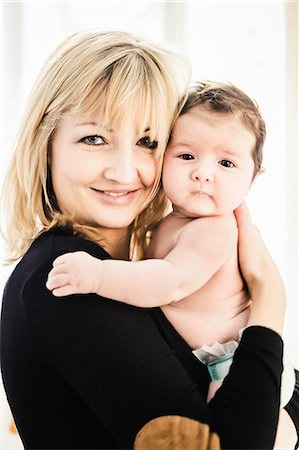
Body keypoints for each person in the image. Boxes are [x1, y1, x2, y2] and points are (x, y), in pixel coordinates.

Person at [0, 29, 298, 450]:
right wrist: (270, 302)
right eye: (94, 138)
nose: (124, 172)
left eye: (147, 141)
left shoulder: (130, 264)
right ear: (45, 144)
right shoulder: (67, 279)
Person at [45, 80, 296, 406]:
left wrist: (98, 275)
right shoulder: (171, 221)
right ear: (164, 156)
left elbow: (170, 282)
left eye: (226, 163)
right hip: (205, 363)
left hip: (231, 363)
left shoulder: (214, 230)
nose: (203, 173)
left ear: (254, 177)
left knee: (236, 437)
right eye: (187, 155)